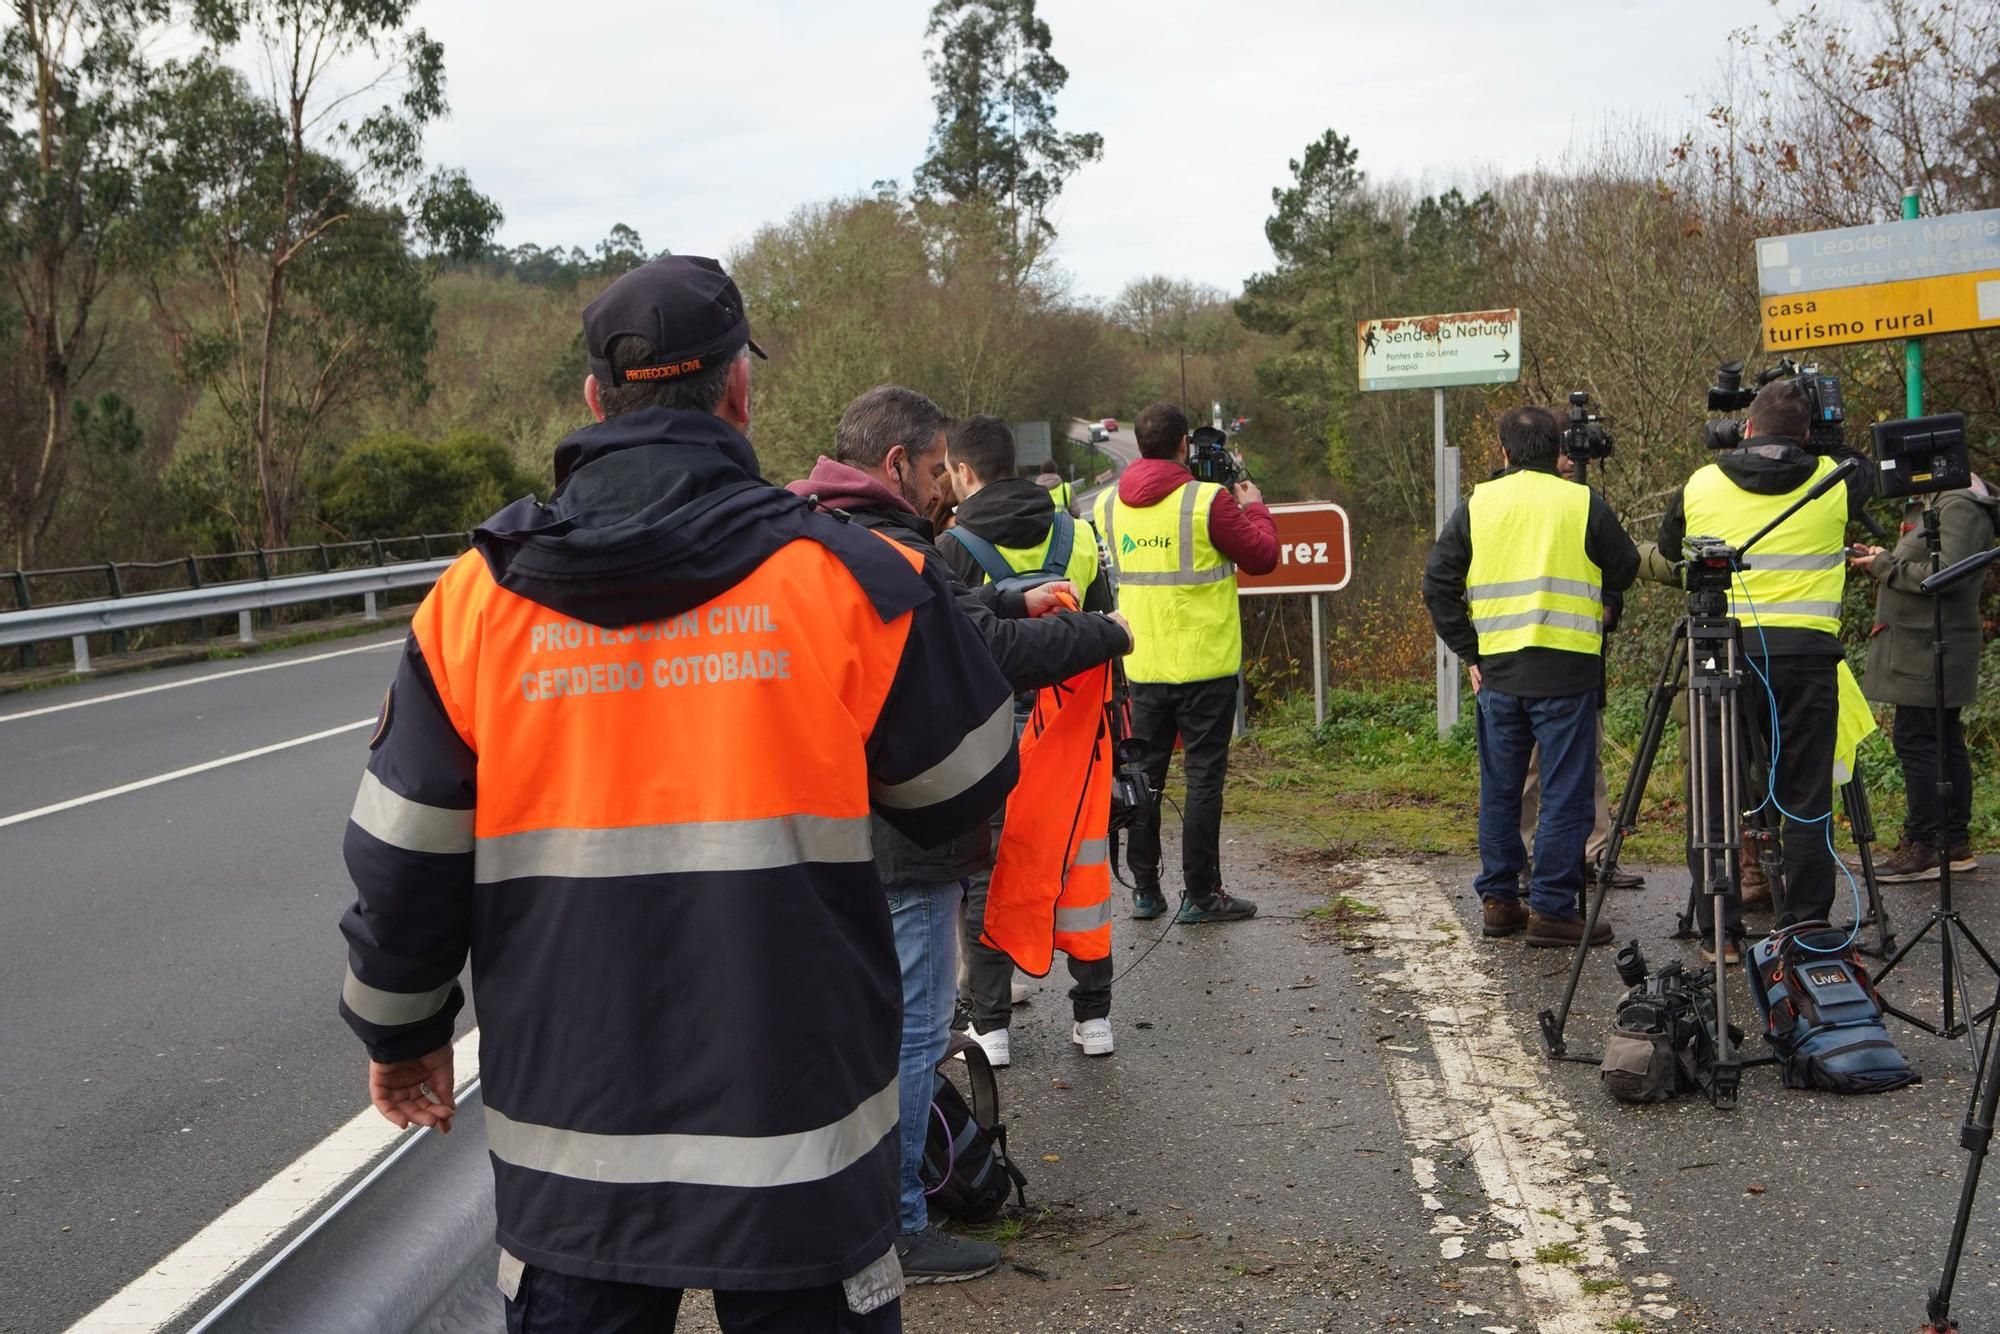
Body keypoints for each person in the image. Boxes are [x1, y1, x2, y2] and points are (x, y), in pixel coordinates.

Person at [337, 257, 1019, 1332]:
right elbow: (963, 785)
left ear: (593, 400)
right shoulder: (845, 577)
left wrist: (400, 1026)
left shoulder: (472, 601)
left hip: (574, 1144)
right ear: (737, 393)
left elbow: (402, 852)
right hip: (798, 1128)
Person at [788, 387, 1130, 1283]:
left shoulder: (813, 530)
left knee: (857, 1024)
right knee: (910, 1033)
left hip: (826, 825)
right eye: (937, 470)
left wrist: (1013, 597)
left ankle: (847, 1204)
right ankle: (900, 1224)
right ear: (896, 464)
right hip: (905, 831)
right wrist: (1103, 631)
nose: (948, 488)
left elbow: (955, 614)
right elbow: (972, 649)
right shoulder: (894, 549)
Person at [1659, 377, 1871, 960]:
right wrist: (1829, 436)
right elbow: (1867, 469)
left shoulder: (1702, 482)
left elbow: (1670, 543)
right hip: (1806, 660)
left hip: (1722, 652)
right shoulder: (1834, 480)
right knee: (1804, 797)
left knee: (1715, 791)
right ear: (1808, 435)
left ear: (1746, 429)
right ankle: (1803, 929)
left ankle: (1719, 931)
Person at [1424, 405, 1640, 948]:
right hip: (1567, 672)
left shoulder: (1479, 504)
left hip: (1498, 672)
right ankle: (1551, 909)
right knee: (1565, 795)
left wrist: (1470, 652)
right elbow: (1627, 566)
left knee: (1500, 790)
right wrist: (1605, 603)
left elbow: (1437, 584)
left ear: (1503, 452)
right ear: (1560, 454)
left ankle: (1499, 902)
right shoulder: (1582, 501)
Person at [939, 415, 1117, 1065]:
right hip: (1071, 730)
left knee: (989, 872)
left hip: (988, 729)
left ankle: (991, 1028)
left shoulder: (952, 547)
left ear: (962, 470)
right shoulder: (1079, 536)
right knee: (1082, 866)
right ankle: (1093, 1017)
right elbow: (1102, 633)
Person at [1094, 401, 1279, 924]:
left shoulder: (1108, 504)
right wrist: (1256, 507)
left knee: (1145, 779)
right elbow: (1263, 557)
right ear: (1182, 447)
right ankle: (1201, 893)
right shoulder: (1206, 502)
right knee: (1202, 780)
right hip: (1206, 663)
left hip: (1143, 664)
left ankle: (1144, 890)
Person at [1850, 475, 1997, 880]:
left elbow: (1947, 573)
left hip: (1932, 648)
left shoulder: (1959, 506)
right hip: (1921, 647)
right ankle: (1951, 843)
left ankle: (1926, 845)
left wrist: (1884, 565)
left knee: (1918, 741)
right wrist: (1884, 558)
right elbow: (1927, 561)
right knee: (1940, 740)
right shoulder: (1943, 503)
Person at [1519, 447, 1644, 894]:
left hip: (1579, 657)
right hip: (1528, 658)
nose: (1571, 463)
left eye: (1573, 454)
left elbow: (1616, 565)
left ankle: (1595, 857)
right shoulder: (1519, 507)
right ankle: (1527, 856)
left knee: (1587, 762)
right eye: (1562, 454)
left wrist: (1610, 606)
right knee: (1530, 767)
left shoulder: (1585, 505)